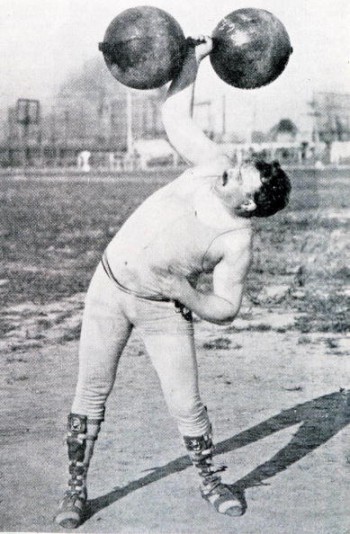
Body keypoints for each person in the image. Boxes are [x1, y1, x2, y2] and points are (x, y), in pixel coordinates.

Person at [54, 36, 291, 528]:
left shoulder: (236, 240)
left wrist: (184, 292)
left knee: (186, 404)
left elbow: (226, 306)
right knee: (90, 391)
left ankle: (209, 479)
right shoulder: (212, 166)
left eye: (238, 181)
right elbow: (175, 118)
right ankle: (76, 490)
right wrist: (192, 60)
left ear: (249, 205)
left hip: (162, 309)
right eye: (237, 168)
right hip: (108, 288)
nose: (230, 173)